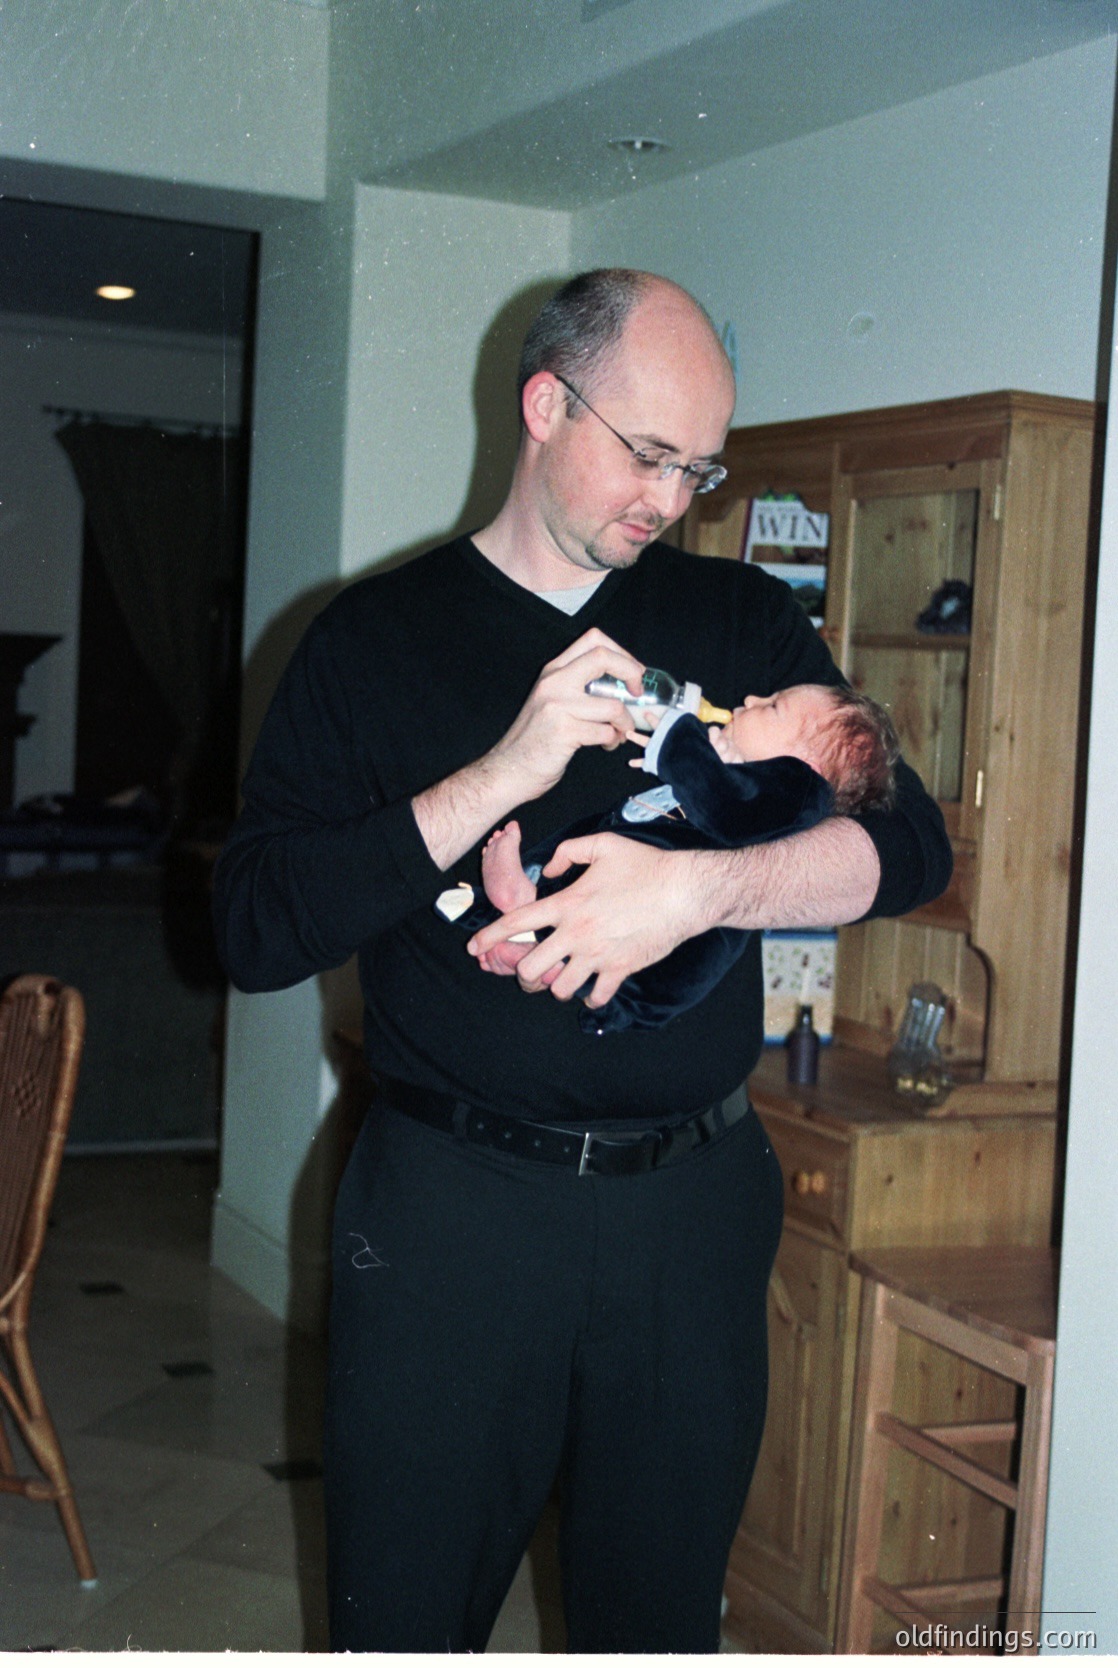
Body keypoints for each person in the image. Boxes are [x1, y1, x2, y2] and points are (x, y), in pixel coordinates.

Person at [212, 268, 952, 1653]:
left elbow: (906, 849)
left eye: (702, 467)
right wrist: (500, 771)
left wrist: (695, 894)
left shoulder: (737, 625)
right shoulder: (368, 644)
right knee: (407, 1616)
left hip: (693, 1214)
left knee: (654, 1624)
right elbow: (252, 930)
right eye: (649, 454)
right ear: (546, 405)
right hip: (451, 1217)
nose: (671, 500)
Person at [438, 682, 899, 1034]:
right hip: (635, 872)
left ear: (809, 768)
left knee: (632, 966)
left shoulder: (799, 794)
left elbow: (728, 806)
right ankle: (517, 925)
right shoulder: (766, 782)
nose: (752, 697)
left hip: (682, 937)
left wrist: (679, 737)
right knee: (583, 862)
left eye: (773, 706)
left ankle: (524, 908)